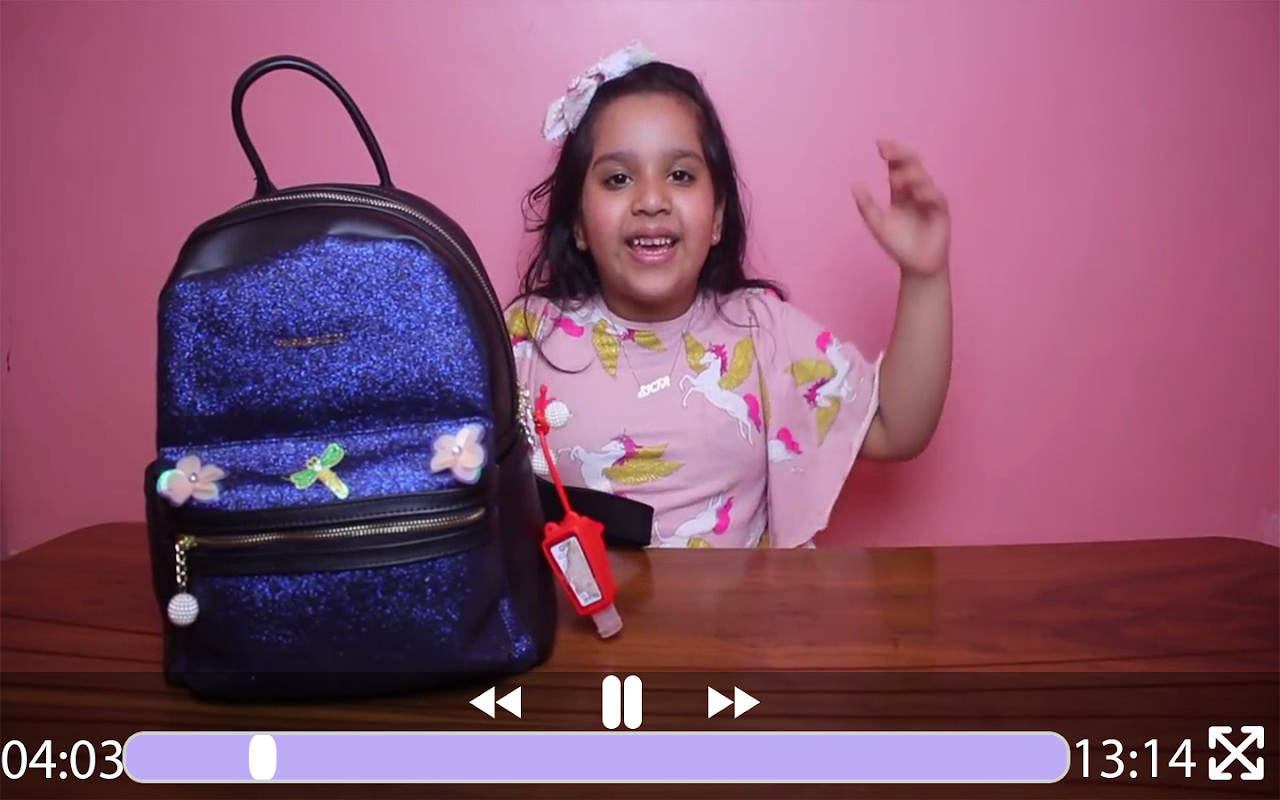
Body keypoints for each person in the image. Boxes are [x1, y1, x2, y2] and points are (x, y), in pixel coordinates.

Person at [506, 42, 952, 549]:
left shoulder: (761, 332)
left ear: (717, 216)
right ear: (578, 224)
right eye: (618, 178)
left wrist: (925, 276)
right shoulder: (527, 337)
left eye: (680, 175)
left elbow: (896, 426)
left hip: (738, 606)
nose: (651, 200)